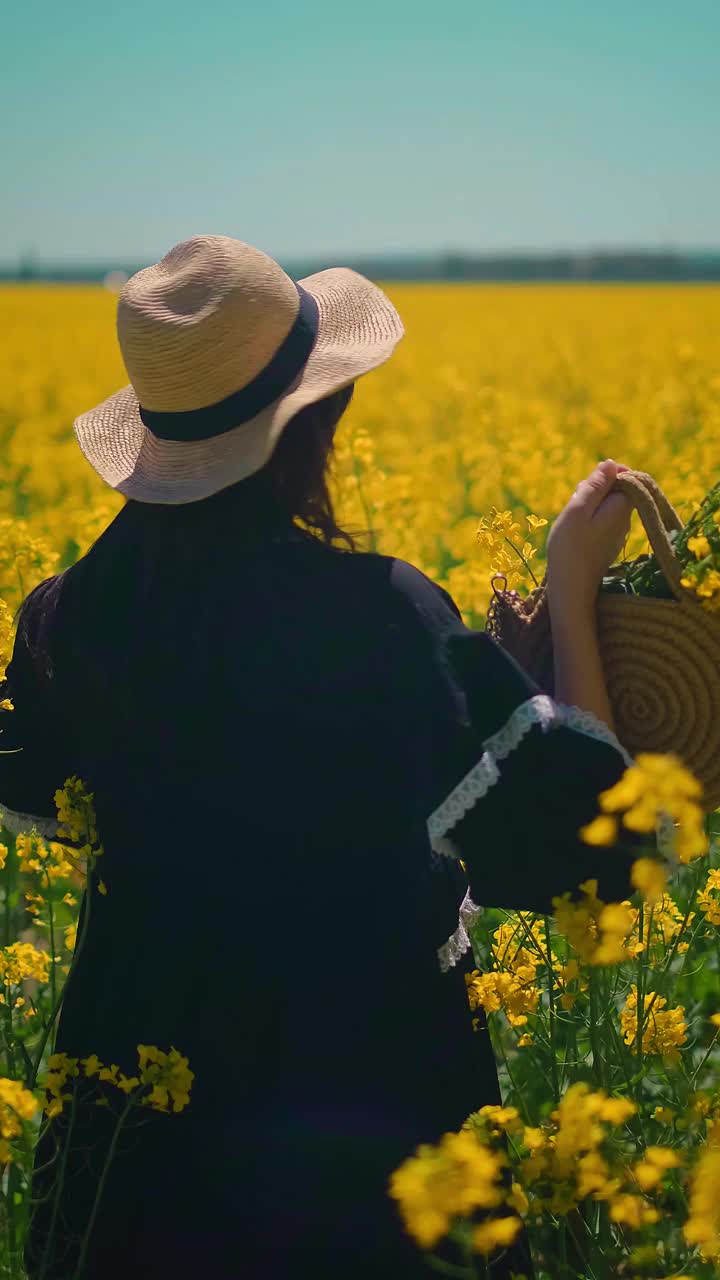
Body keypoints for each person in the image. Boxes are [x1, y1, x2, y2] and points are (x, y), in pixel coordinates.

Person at [4, 235, 639, 1280]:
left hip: (133, 1160)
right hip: (364, 1153)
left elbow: (83, 799)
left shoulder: (66, 621)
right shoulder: (384, 624)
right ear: (314, 421)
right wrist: (572, 594)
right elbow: (594, 851)